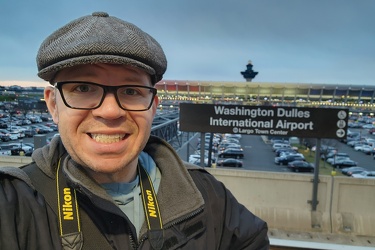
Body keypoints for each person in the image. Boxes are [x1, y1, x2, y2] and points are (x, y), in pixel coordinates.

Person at [0, 12, 269, 250]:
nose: (109, 111)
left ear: (153, 106)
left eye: (131, 91)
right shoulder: (13, 206)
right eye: (83, 88)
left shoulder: (207, 195)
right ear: (53, 105)